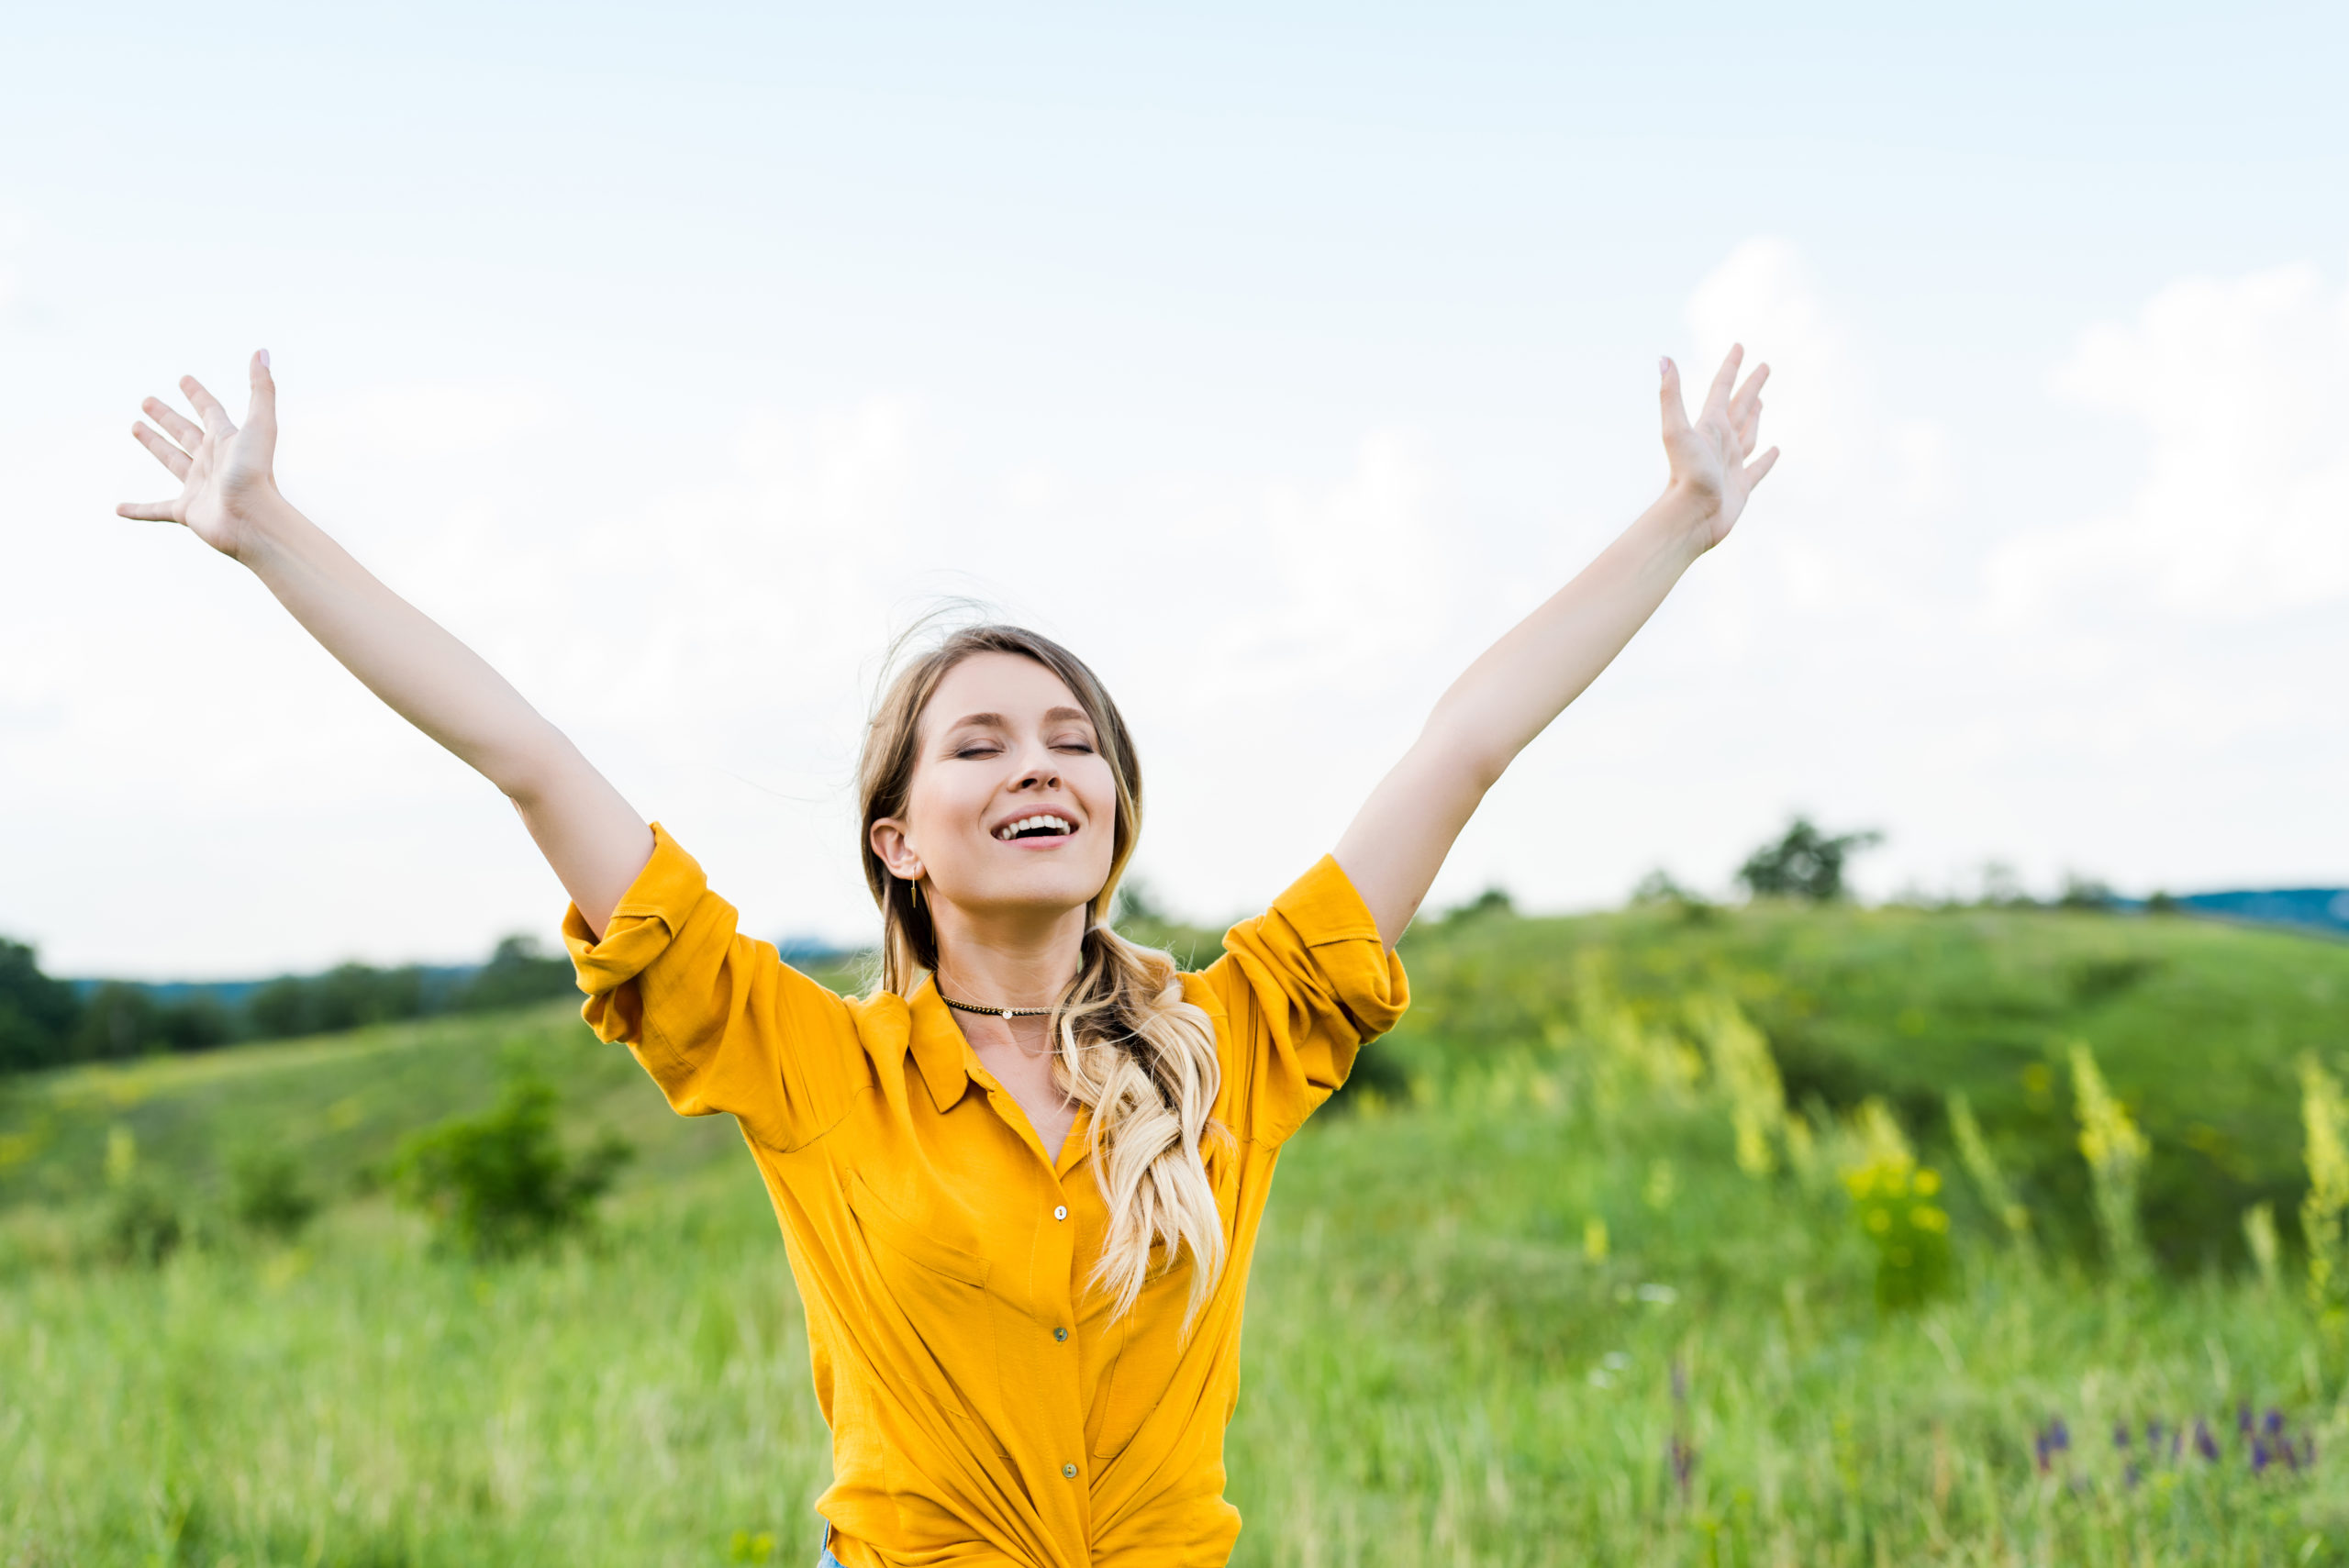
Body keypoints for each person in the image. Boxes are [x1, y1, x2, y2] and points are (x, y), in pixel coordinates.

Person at [117, 346, 1775, 1566]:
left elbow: (1463, 746)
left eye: (1073, 740)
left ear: (1115, 809)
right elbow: (534, 757)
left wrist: (1682, 525)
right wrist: (270, 535)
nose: (1040, 765)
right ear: (898, 837)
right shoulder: (811, 1065)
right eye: (978, 745)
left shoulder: (1233, 1038)